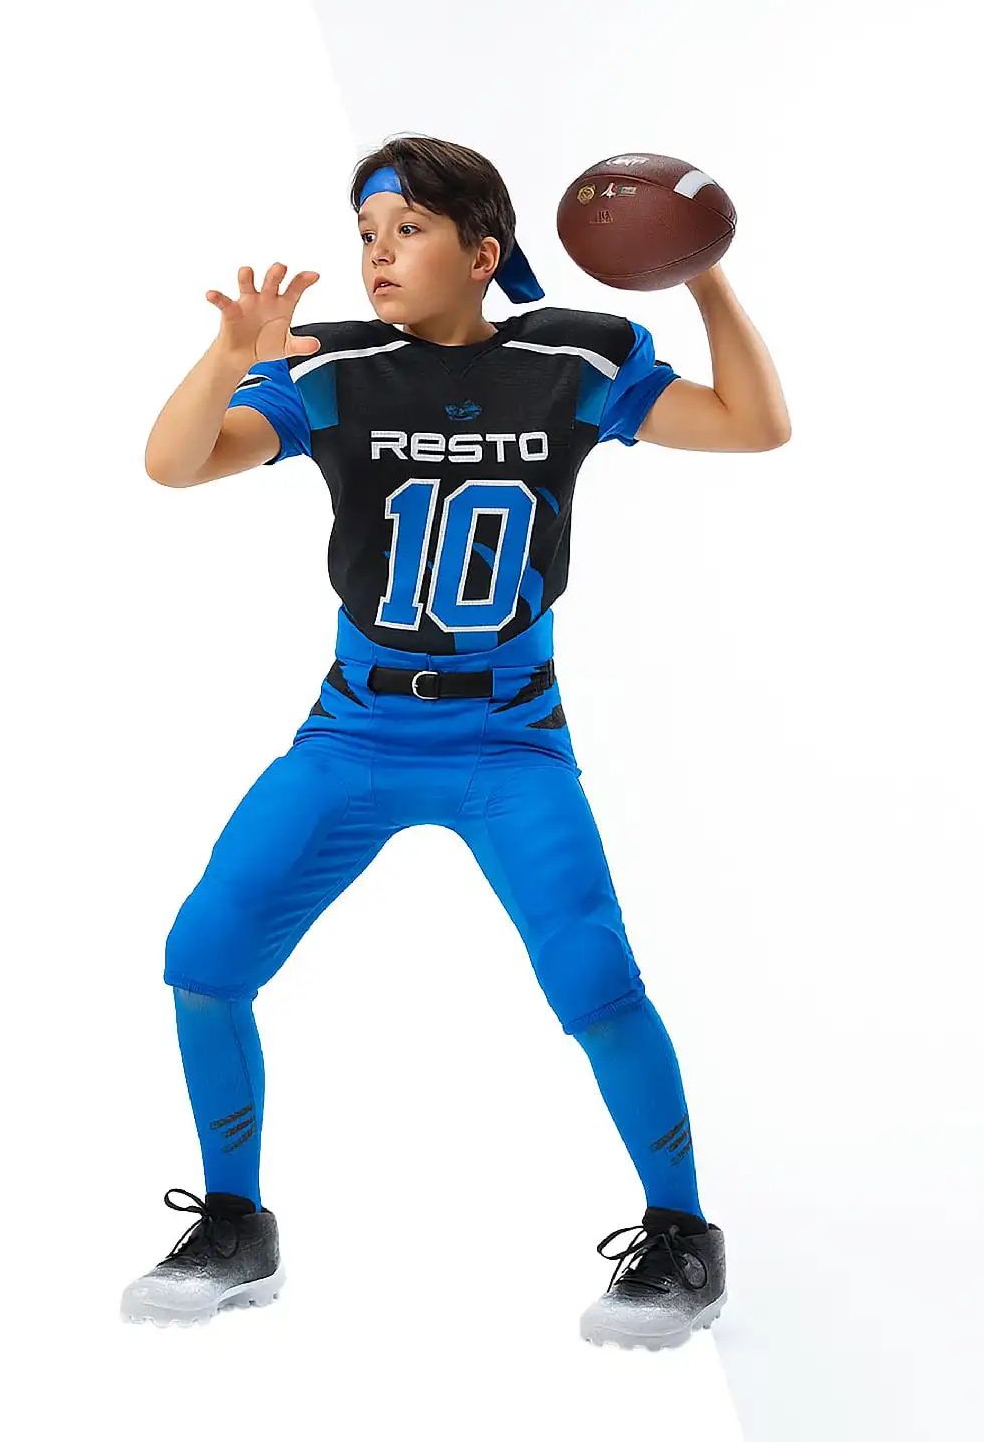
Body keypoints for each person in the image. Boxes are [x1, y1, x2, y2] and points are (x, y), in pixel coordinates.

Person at [119, 135, 789, 1350]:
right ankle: (234, 1222)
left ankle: (683, 1237)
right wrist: (228, 355)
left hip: (505, 736)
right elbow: (173, 465)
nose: (376, 253)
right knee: (203, 956)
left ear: (482, 254)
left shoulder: (572, 358)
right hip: (355, 727)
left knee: (593, 979)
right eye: (365, 231)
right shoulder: (330, 363)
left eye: (407, 230)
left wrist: (699, 275)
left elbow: (753, 424)